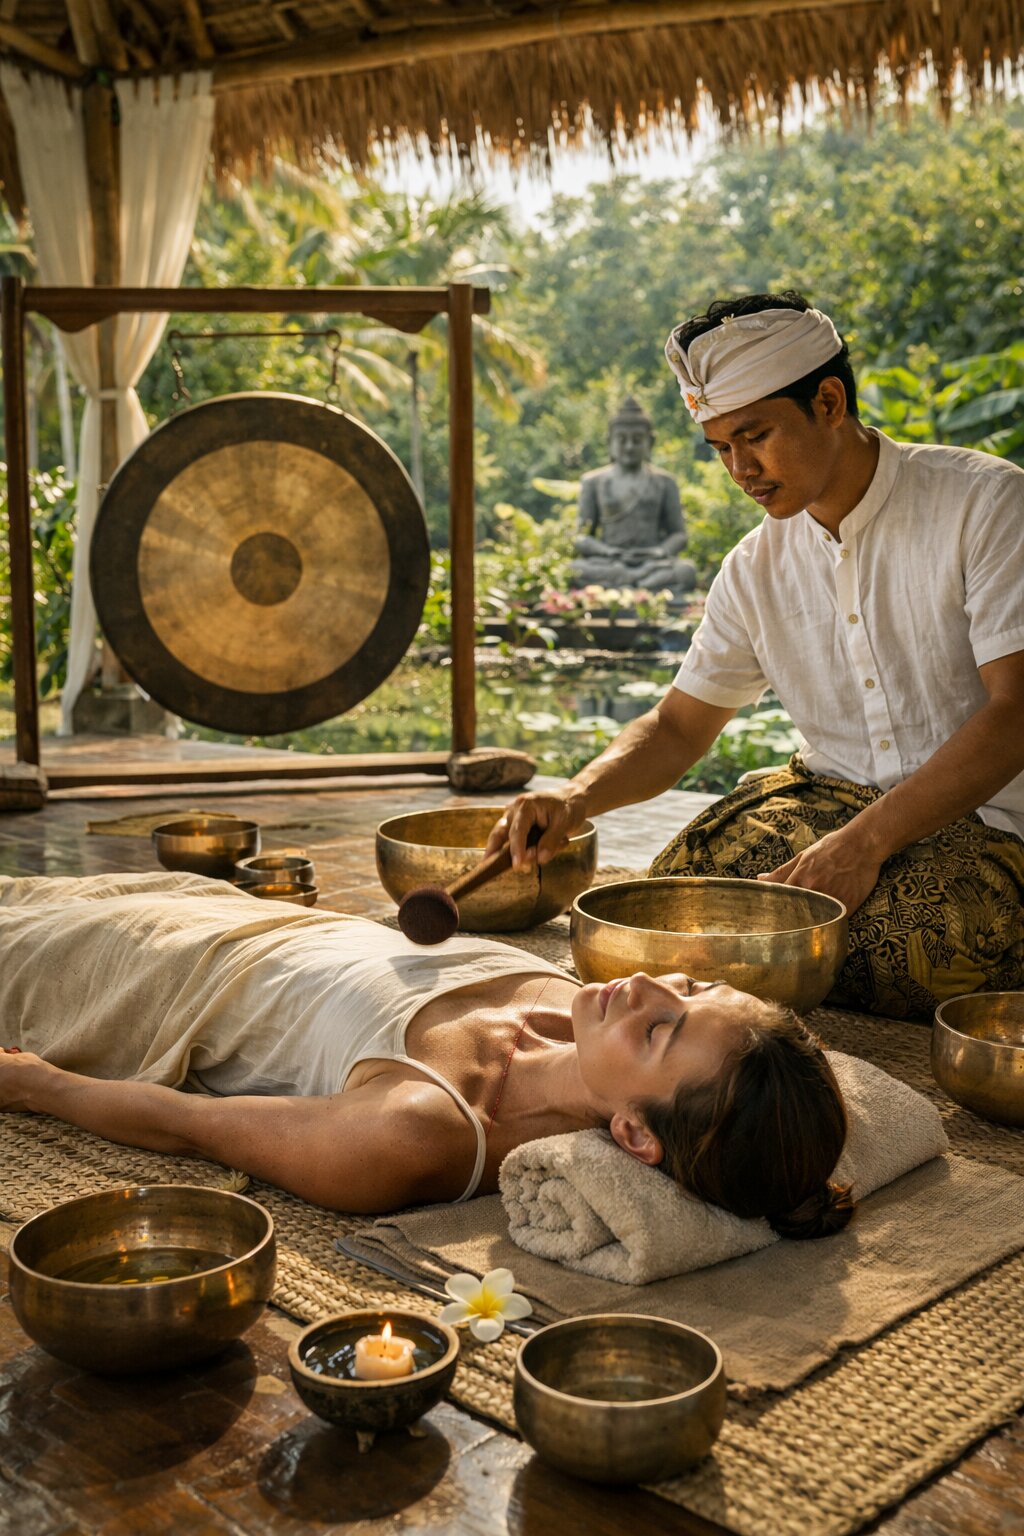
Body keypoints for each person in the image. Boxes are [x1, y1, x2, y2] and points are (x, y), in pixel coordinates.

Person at [488, 292, 1024, 1022]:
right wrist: (574, 798)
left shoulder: (986, 505)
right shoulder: (754, 565)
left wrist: (860, 847)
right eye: (720, 448)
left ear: (828, 402)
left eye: (756, 435)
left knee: (913, 945)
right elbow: (677, 729)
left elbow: (1015, 714)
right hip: (826, 802)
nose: (740, 468)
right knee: (661, 907)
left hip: (988, 825)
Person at [0, 871, 852, 1236]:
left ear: (634, 1135)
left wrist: (34, 1084)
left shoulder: (419, 1132)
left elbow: (191, 1126)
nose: (647, 988)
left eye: (664, 1031)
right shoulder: (594, 1024)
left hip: (144, 977)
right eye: (693, 990)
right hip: (248, 916)